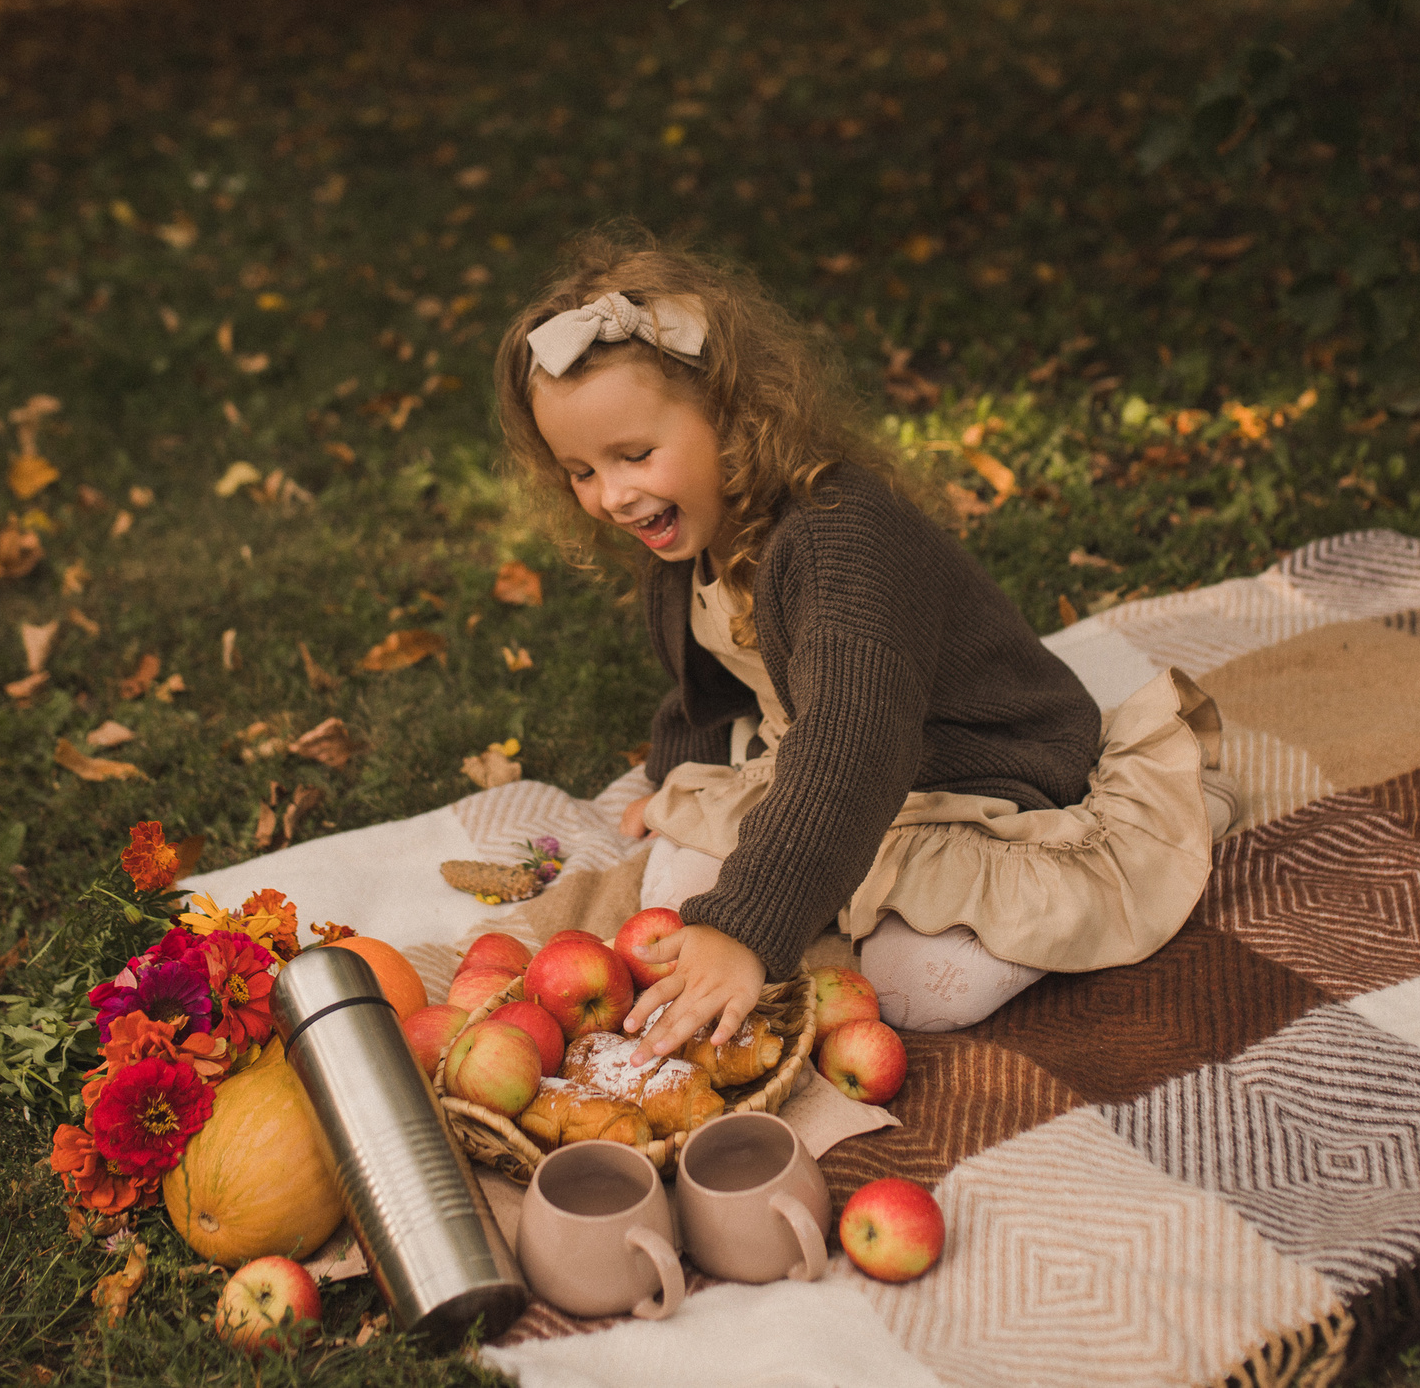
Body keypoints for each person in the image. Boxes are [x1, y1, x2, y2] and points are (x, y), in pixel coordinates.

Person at [494, 222, 1235, 1064]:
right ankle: (820, 888)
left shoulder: (837, 539)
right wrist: (680, 766)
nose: (613, 496)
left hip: (973, 772)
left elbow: (855, 737)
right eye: (582, 472)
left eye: (633, 455)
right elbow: (708, 676)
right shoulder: (686, 533)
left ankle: (915, 908)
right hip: (845, 771)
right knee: (668, 887)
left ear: (731, 416)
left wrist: (744, 927)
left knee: (917, 987)